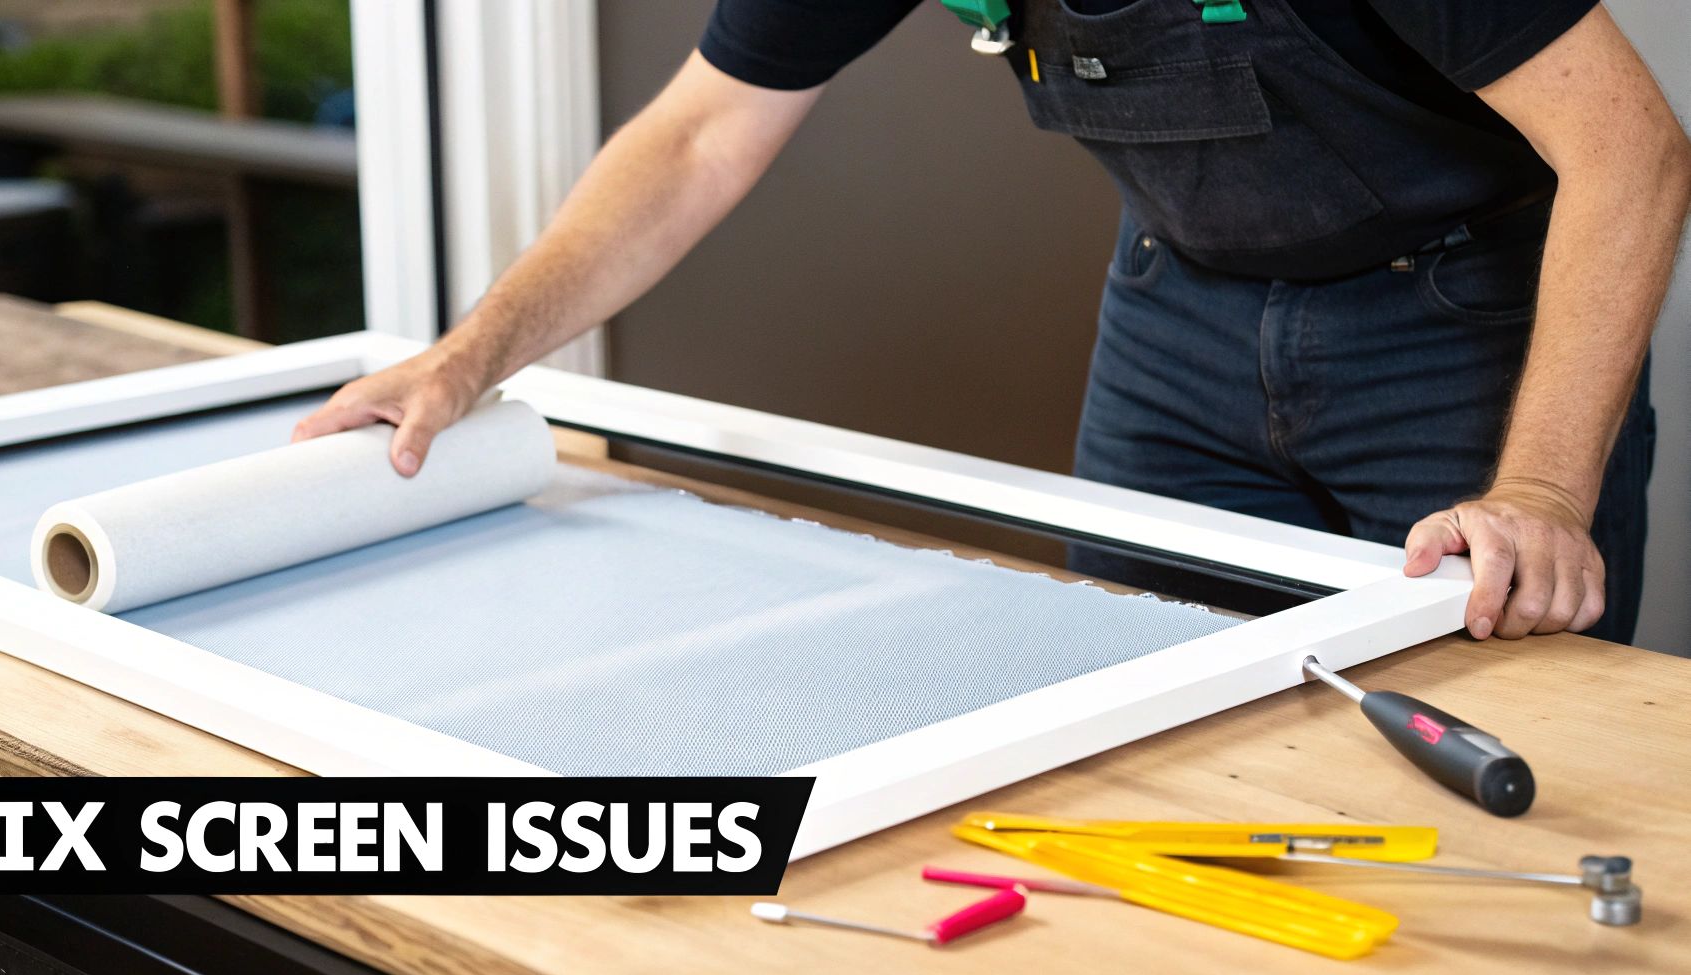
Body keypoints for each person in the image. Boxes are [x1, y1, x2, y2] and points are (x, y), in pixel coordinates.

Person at [295, 1, 1691, 644]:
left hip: (1459, 326)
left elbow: (1632, 149)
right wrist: (472, 355)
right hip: (1179, 321)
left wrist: (1546, 491)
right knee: (1144, 719)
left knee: (1498, 745)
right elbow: (700, 133)